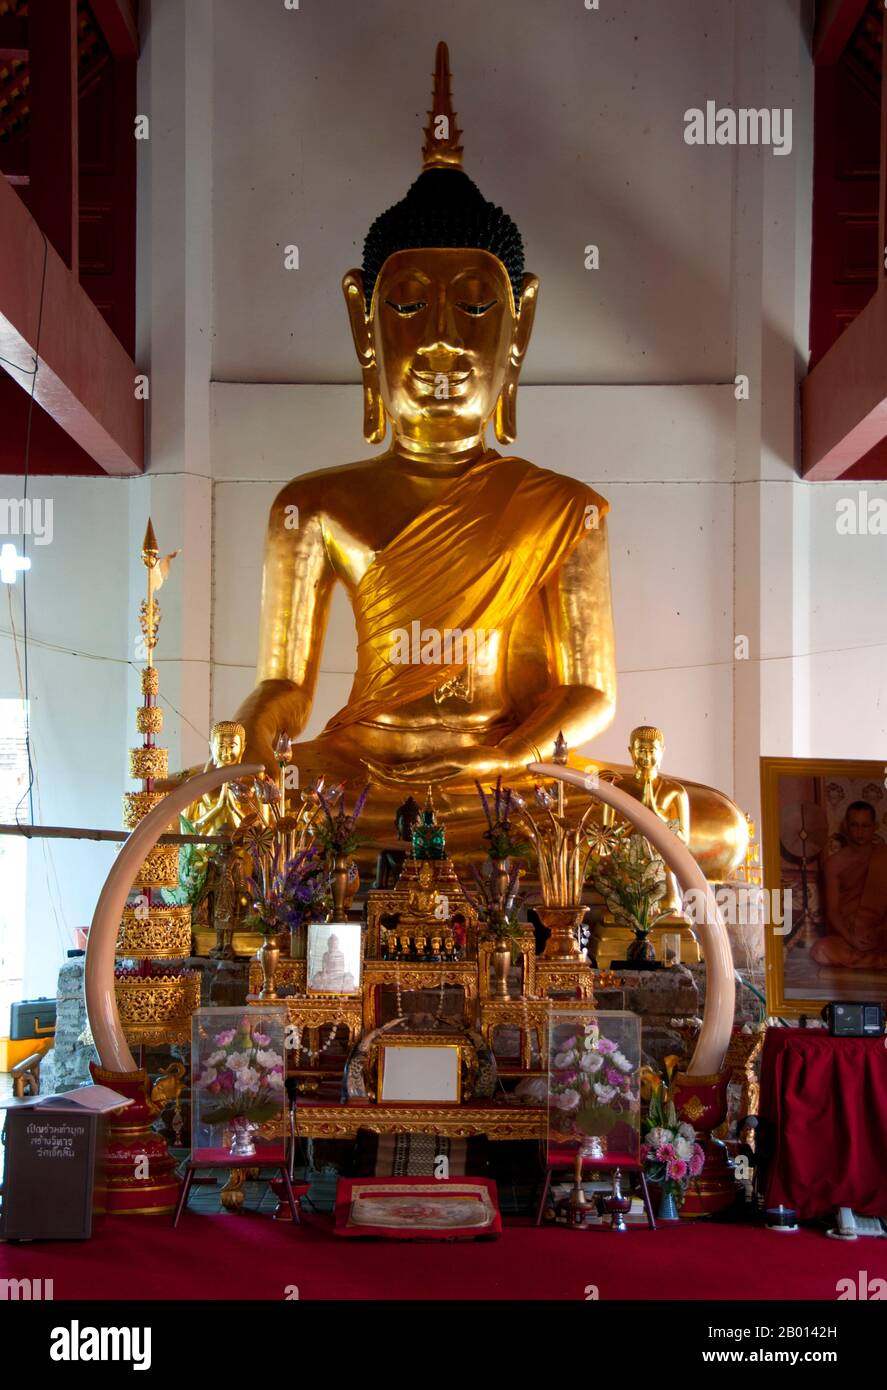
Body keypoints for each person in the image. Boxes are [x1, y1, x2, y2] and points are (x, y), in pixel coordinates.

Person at [811, 801, 887, 969]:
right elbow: (833, 911)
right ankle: (878, 962)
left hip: (880, 933)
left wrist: (878, 932)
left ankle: (866, 961)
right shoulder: (834, 864)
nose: (860, 832)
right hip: (846, 936)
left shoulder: (884, 856)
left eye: (866, 826)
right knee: (820, 950)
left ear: (875, 826)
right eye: (855, 825)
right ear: (846, 826)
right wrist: (852, 938)